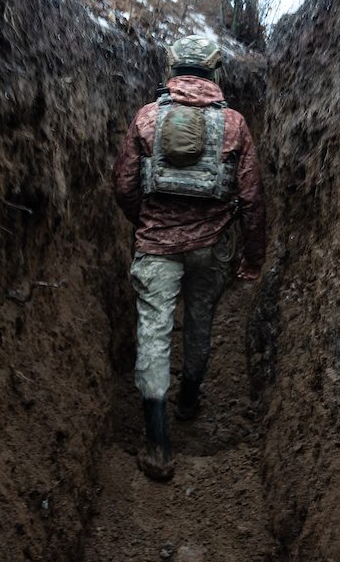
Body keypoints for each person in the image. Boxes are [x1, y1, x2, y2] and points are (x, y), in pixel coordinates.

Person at [111, 34, 266, 481]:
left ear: (173, 71)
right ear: (214, 72)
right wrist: (252, 257)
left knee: (154, 331)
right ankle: (189, 400)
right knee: (200, 322)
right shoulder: (234, 124)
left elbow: (123, 184)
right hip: (211, 248)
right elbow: (252, 197)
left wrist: (146, 223)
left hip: (156, 245)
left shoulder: (146, 117)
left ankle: (157, 443)